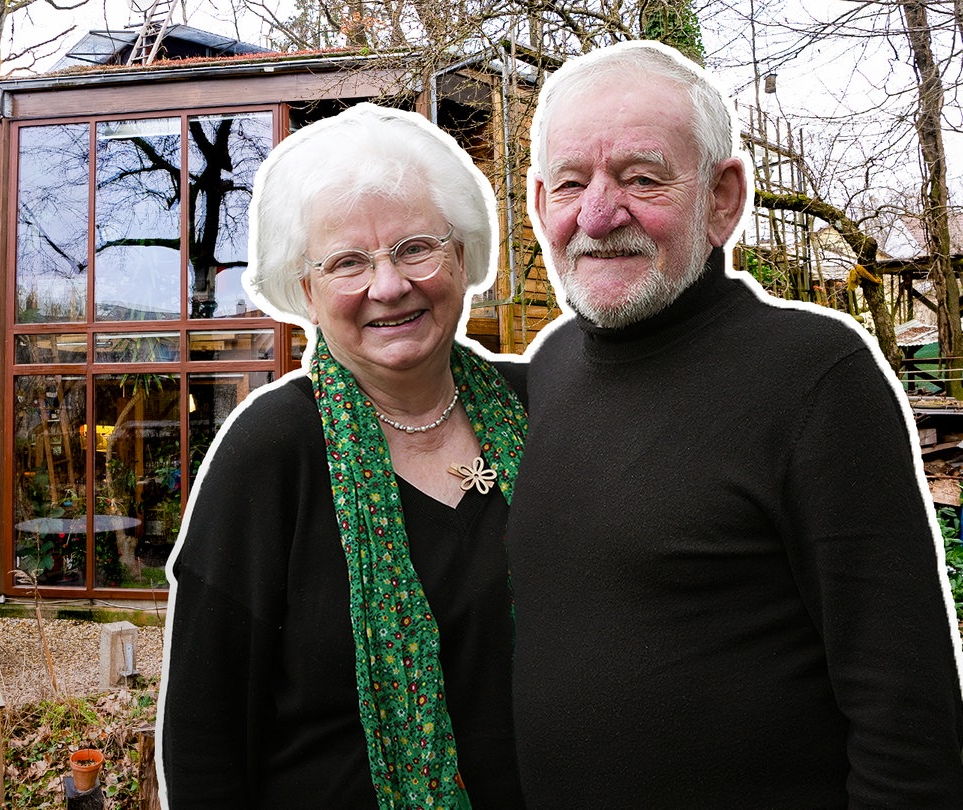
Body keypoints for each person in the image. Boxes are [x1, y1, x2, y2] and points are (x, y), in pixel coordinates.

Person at [508, 40, 963, 807]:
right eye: (570, 183)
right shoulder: (547, 370)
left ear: (723, 197)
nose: (596, 214)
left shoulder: (816, 380)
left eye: (641, 177)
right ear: (538, 201)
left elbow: (908, 725)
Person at [156, 103, 528, 808]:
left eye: (416, 247)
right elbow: (206, 745)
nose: (388, 286)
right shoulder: (271, 453)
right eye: (348, 263)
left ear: (463, 254)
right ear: (308, 292)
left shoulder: (541, 410)